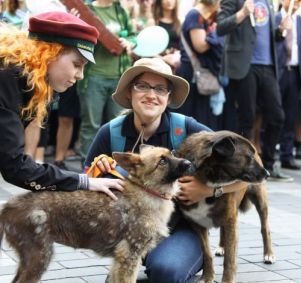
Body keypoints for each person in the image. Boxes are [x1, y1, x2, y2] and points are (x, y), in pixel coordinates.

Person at [84, 57, 248, 283]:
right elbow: (83, 188)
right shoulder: (110, 133)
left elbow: (246, 174)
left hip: (182, 230)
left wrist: (208, 191)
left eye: (160, 89)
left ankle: (176, 262)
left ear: (168, 97)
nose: (151, 95)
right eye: (142, 86)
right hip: (131, 233)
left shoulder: (187, 129)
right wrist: (96, 172)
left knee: (166, 272)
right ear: (130, 92)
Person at [0, 11, 124, 199]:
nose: (80, 75)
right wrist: (83, 181)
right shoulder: (8, 77)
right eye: (77, 64)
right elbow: (14, 166)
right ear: (50, 53)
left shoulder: (27, 79)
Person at [216, 0, 293, 181]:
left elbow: (271, 36)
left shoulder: (269, 2)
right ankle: (242, 167)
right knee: (247, 118)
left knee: (277, 116)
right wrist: (242, 13)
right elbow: (220, 27)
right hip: (245, 66)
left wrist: (281, 29)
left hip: (268, 66)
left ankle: (267, 164)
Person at [78, 0, 135, 165]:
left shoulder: (119, 10)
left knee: (119, 126)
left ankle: (116, 168)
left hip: (119, 77)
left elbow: (133, 35)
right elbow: (78, 42)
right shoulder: (87, 9)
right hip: (93, 77)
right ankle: (87, 167)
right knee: (91, 125)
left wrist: (130, 42)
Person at [176, 0, 223, 131]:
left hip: (201, 74)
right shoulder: (195, 14)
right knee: (191, 120)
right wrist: (218, 35)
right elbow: (200, 46)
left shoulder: (208, 16)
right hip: (191, 74)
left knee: (203, 121)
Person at [275, 0, 301, 170]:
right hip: (278, 72)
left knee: (291, 115)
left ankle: (287, 155)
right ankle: (269, 152)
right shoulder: (274, 19)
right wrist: (281, 28)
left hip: (295, 72)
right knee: (274, 114)